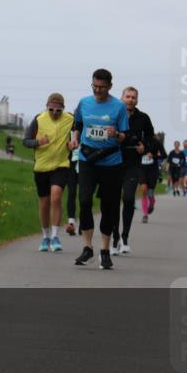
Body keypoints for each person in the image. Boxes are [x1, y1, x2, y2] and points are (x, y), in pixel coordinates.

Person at [70, 69, 128, 270]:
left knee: (109, 207)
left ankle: (104, 250)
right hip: (87, 158)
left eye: (102, 87)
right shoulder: (84, 103)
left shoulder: (118, 107)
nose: (97, 90)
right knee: (84, 201)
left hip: (111, 162)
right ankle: (87, 247)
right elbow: (77, 124)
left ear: (110, 86)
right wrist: (75, 138)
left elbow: (124, 137)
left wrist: (116, 134)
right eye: (94, 86)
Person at [22, 93, 74, 252]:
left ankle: (55, 236)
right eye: (51, 109)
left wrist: (73, 143)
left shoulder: (70, 120)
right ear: (47, 107)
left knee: (56, 196)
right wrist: (38, 142)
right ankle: (45, 236)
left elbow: (78, 136)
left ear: (63, 109)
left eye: (58, 111)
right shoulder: (39, 119)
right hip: (42, 167)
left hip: (61, 164)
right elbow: (25, 141)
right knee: (44, 203)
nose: (54, 113)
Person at [111, 86, 155, 255]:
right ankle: (114, 238)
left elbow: (151, 137)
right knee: (113, 201)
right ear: (122, 98)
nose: (130, 99)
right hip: (113, 162)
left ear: (137, 100)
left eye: (133, 97)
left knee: (128, 198)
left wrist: (145, 146)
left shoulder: (143, 118)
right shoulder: (114, 114)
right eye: (127, 96)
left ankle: (125, 236)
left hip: (133, 164)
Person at [141, 134, 166, 223]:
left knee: (150, 193)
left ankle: (152, 203)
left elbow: (164, 155)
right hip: (142, 169)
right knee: (144, 190)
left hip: (152, 170)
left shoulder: (157, 142)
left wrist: (154, 156)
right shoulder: (140, 141)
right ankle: (145, 215)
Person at [65, 147, 80, 235]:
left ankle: (83, 223)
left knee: (84, 196)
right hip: (71, 164)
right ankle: (71, 223)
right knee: (71, 193)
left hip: (85, 163)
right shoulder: (69, 133)